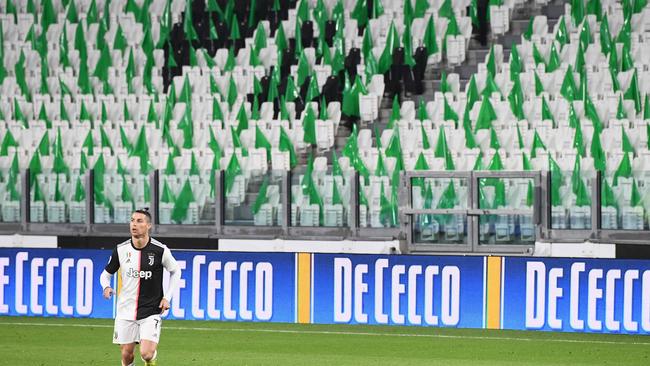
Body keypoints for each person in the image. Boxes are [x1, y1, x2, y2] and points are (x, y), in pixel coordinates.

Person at [100, 209, 181, 366]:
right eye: (132, 220)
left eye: (139, 221)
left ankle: (150, 360)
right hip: (125, 310)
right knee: (127, 354)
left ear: (148, 225)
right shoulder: (120, 250)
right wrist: (106, 286)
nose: (134, 224)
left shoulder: (160, 250)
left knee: (147, 353)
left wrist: (167, 297)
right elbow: (106, 274)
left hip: (151, 310)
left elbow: (176, 271)